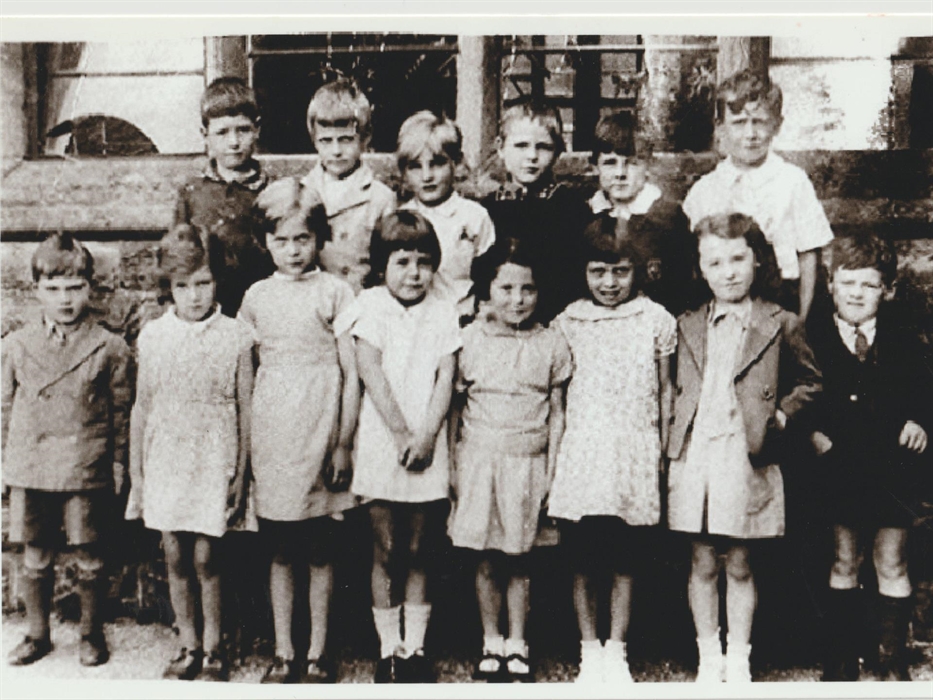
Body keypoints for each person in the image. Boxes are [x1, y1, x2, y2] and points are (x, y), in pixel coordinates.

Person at [666, 213, 821, 683]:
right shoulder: (687, 324)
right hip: (697, 452)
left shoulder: (781, 321)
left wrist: (781, 415)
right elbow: (673, 384)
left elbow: (812, 382)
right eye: (715, 262)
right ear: (701, 268)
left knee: (739, 560)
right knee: (701, 558)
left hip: (745, 451)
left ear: (757, 261)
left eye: (738, 259)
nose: (728, 271)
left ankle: (740, 658)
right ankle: (708, 657)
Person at [238, 178, 360, 684]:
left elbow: (352, 374)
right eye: (282, 240)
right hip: (275, 435)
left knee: (320, 547)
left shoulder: (335, 291)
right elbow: (246, 379)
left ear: (319, 239)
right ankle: (284, 650)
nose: (293, 250)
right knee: (282, 546)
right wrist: (247, 451)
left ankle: (318, 652)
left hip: (320, 429)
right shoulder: (256, 297)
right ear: (266, 242)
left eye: (302, 239)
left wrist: (343, 442)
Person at [125, 225, 256, 681]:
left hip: (213, 453)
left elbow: (245, 407)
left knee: (208, 556)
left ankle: (216, 646)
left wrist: (241, 472)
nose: (194, 295)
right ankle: (188, 643)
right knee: (174, 554)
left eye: (203, 283)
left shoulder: (237, 335)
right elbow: (143, 406)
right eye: (183, 286)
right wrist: (139, 475)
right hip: (167, 455)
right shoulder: (154, 336)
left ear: (216, 281)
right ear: (169, 288)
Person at [548, 226, 676, 685]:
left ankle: (617, 649)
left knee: (625, 555)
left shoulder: (656, 319)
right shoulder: (568, 322)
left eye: (620, 272)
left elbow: (665, 389)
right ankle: (589, 649)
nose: (608, 283)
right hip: (583, 449)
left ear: (637, 271)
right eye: (598, 272)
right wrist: (555, 459)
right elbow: (558, 400)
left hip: (633, 449)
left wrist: (662, 452)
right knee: (582, 555)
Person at [338, 210, 460, 683]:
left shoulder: (444, 310)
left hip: (428, 444)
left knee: (421, 549)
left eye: (424, 262)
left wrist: (427, 435)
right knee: (387, 549)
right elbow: (370, 370)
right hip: (383, 442)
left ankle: (417, 648)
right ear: (382, 265)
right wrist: (403, 434)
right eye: (402, 261)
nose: (414, 272)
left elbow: (446, 376)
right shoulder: (370, 307)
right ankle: (389, 648)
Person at [3, 233, 131, 668]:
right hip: (31, 463)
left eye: (75, 288)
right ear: (35, 290)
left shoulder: (109, 346)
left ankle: (91, 634)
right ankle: (37, 633)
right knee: (35, 553)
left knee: (89, 555)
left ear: (90, 289)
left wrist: (116, 462)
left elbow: (121, 413)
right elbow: (4, 407)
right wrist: (5, 463)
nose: (65, 299)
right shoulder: (16, 345)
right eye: (53, 289)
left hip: (85, 461)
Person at [808, 233, 932, 682]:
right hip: (839, 465)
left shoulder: (905, 339)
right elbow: (801, 394)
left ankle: (891, 660)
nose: (857, 294)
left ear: (889, 289)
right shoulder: (815, 336)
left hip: (893, 467)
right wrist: (815, 435)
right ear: (830, 286)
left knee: (892, 561)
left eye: (869, 285)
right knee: (844, 559)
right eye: (848, 283)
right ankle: (841, 661)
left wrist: (920, 421)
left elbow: (925, 389)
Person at [447, 239, 571, 683]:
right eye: (506, 289)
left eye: (528, 290)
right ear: (487, 292)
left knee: (520, 558)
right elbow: (455, 410)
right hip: (480, 460)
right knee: (486, 558)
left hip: (529, 463)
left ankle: (518, 641)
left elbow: (557, 413)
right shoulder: (469, 340)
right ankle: (491, 640)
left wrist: (553, 471)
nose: (517, 300)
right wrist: (454, 468)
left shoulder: (552, 343)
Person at [682, 69, 834, 323]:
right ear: (720, 128)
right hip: (722, 300)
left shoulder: (793, 181)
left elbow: (809, 256)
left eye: (760, 122)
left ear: (777, 125)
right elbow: (693, 262)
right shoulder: (705, 190)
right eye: (739, 122)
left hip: (783, 299)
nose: (750, 135)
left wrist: (801, 320)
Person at [481, 99, 591, 324]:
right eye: (521, 146)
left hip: (556, 320)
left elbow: (575, 274)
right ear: (501, 147)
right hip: (499, 318)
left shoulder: (571, 207)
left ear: (558, 151)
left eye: (543, 147)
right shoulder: (487, 208)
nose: (532, 156)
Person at [173, 77, 273, 316]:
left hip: (261, 307)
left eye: (243, 130)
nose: (234, 142)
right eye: (222, 132)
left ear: (257, 129)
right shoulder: (192, 192)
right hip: (207, 308)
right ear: (205, 135)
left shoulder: (271, 191)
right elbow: (177, 256)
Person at [586, 110, 696, 316]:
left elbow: (681, 289)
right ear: (594, 167)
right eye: (610, 163)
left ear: (648, 166)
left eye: (632, 163)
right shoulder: (585, 216)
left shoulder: (669, 218)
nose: (620, 174)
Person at [397, 110, 496, 323]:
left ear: (456, 162)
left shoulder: (474, 217)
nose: (427, 176)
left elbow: (490, 276)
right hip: (415, 322)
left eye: (437, 163)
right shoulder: (400, 219)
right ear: (404, 173)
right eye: (415, 166)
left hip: (464, 319)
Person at [301, 78, 397, 293]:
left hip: (360, 300)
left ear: (365, 139)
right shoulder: (303, 192)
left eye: (345, 140)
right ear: (314, 140)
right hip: (316, 300)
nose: (336, 151)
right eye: (326, 141)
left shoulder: (380, 198)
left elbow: (389, 264)